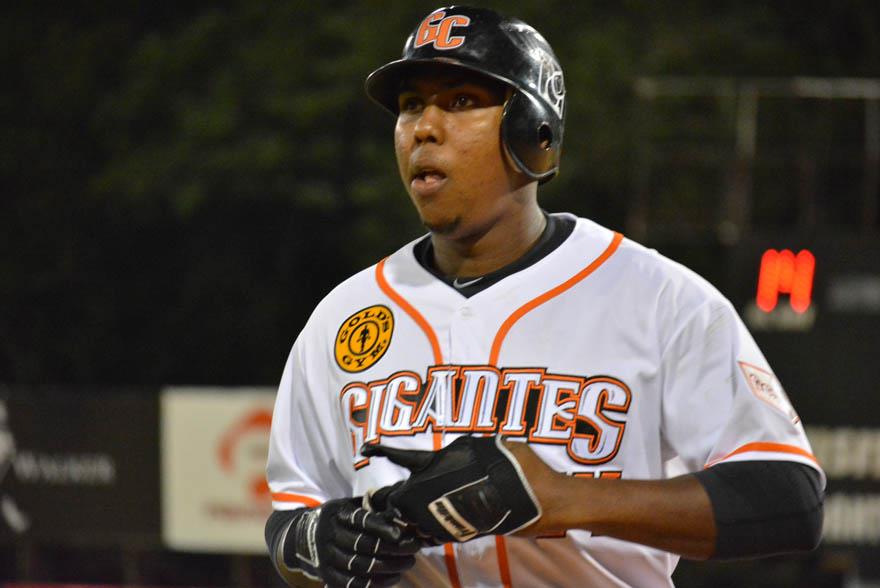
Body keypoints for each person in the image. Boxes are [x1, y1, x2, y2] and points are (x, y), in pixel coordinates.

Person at [265, 6, 824, 587]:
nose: (424, 128)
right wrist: (318, 543)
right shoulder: (344, 316)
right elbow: (289, 521)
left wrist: (560, 498)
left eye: (460, 101)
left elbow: (790, 500)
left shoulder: (655, 297)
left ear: (534, 132)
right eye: (411, 105)